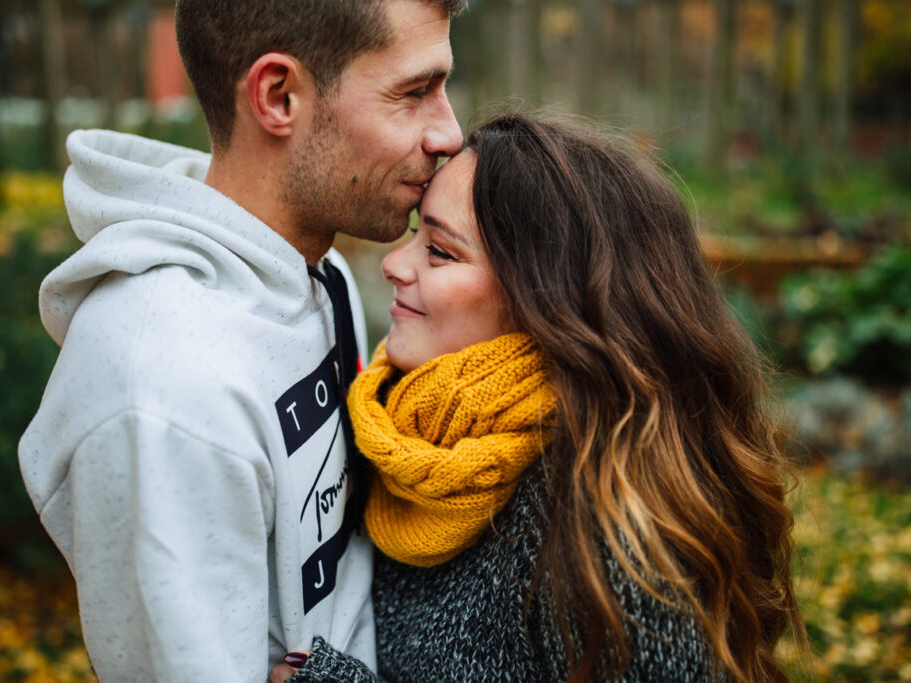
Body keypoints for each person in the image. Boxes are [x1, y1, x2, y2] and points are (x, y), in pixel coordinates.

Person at [18, 0, 465, 680]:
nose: (449, 133)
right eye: (414, 92)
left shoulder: (322, 273)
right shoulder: (164, 387)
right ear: (278, 96)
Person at [272, 113, 805, 682]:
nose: (394, 264)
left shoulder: (611, 531)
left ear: (546, 301)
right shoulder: (409, 437)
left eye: (442, 252)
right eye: (414, 236)